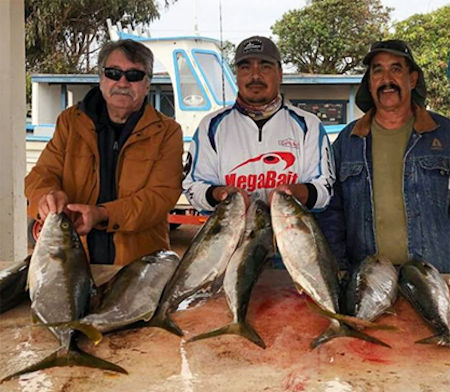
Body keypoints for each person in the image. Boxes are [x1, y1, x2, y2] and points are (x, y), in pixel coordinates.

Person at [25, 39, 183, 265]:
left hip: (139, 267)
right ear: (101, 78)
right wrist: (46, 197)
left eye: (134, 75)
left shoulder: (167, 132)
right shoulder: (70, 122)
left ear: (147, 84)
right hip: (73, 263)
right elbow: (40, 175)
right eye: (113, 72)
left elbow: (160, 198)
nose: (123, 82)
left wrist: (103, 214)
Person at [316, 39, 450, 273]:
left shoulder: (445, 134)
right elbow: (331, 211)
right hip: (368, 281)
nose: (387, 80)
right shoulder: (349, 140)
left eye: (396, 69)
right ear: (369, 82)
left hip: (436, 278)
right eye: (378, 71)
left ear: (413, 79)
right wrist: (340, 269)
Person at [183, 36, 335, 213]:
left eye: (265, 66)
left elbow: (326, 188)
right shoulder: (210, 126)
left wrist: (295, 193)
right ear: (237, 75)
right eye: (245, 67)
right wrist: (219, 194)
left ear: (280, 73)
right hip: (233, 237)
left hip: (289, 236)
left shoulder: (309, 125)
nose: (255, 76)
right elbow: (192, 186)